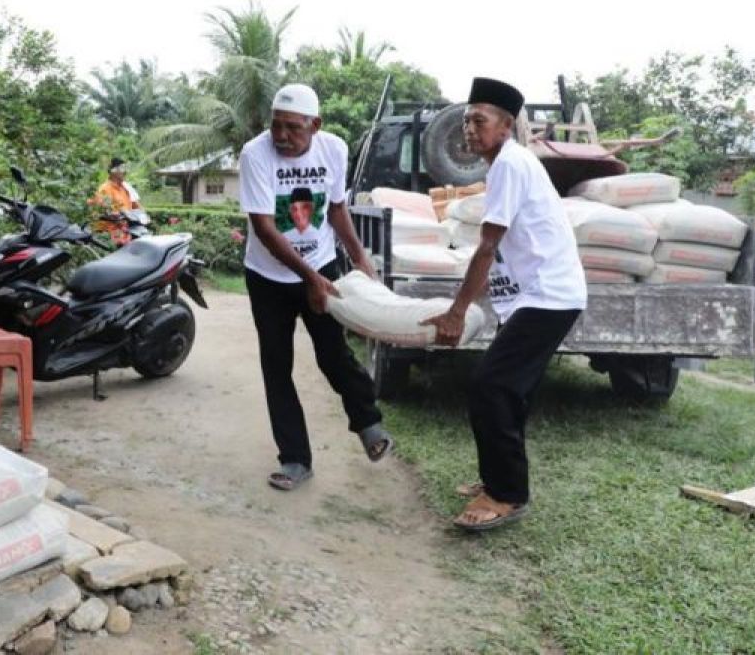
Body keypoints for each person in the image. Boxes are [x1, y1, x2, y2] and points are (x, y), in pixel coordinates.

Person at [421, 77, 587, 531]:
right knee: (509, 391)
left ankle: (507, 494)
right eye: (466, 121)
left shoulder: (511, 165)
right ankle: (497, 479)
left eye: (479, 120)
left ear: (507, 125)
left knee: (491, 386)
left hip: (550, 297)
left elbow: (487, 246)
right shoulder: (504, 166)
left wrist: (457, 312)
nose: (469, 130)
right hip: (538, 297)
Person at [239, 83, 393, 491]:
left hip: (321, 263)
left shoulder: (334, 149)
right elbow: (264, 228)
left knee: (334, 353)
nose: (282, 136)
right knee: (277, 365)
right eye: (276, 126)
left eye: (293, 127)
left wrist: (359, 255)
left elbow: (338, 208)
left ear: (315, 124)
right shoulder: (255, 153)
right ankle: (295, 459)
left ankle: (368, 424)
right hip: (268, 276)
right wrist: (312, 279)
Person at [91, 157, 141, 244]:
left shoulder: (125, 188)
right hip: (111, 230)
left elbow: (135, 205)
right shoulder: (105, 189)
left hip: (128, 228)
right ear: (113, 171)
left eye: (125, 169)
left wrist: (142, 214)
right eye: (122, 169)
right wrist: (119, 214)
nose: (125, 172)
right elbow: (107, 210)